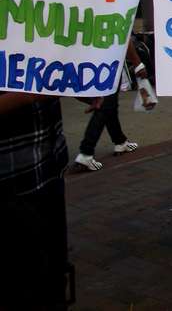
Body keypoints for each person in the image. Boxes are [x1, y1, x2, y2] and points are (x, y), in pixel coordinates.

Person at [1, 92, 100, 310]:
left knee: (52, 279)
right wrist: (28, 93)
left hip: (48, 173)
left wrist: (80, 87)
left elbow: (55, 71)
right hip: (10, 182)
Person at [73, 40, 146, 171]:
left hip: (92, 56)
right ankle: (86, 152)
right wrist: (137, 63)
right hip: (109, 59)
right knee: (106, 105)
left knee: (110, 103)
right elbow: (125, 33)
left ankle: (120, 141)